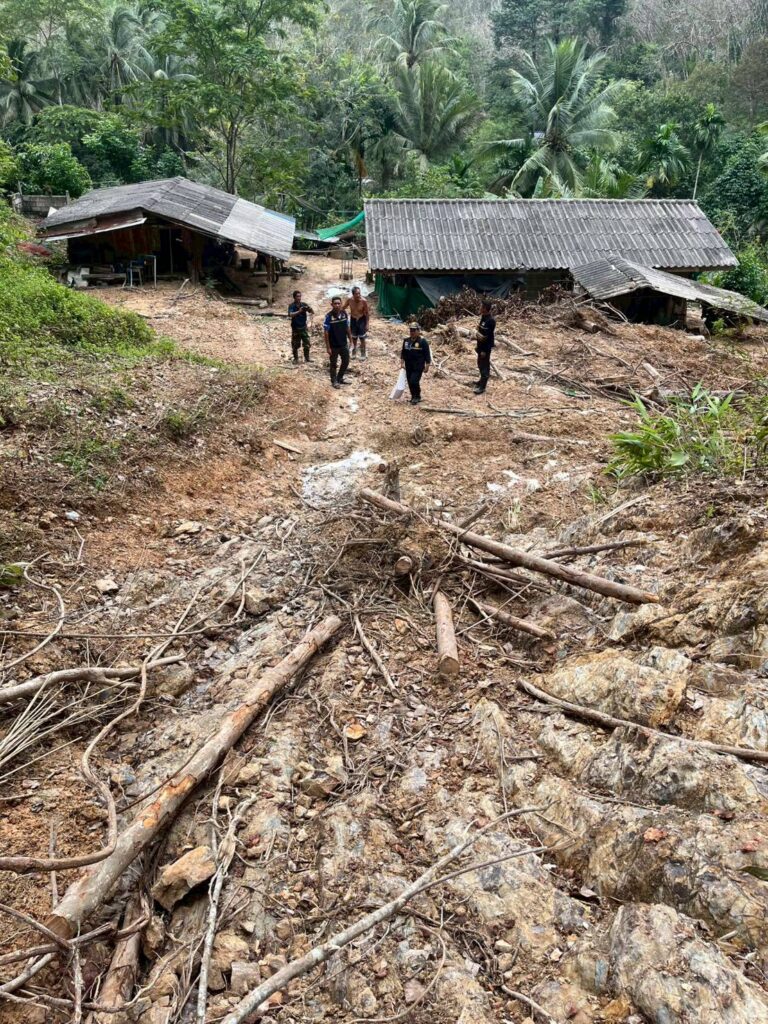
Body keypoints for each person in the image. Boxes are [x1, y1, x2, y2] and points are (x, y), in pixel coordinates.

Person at [324, 296, 353, 389]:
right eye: (335, 303)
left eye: (338, 303)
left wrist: (351, 340)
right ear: (332, 304)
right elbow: (326, 332)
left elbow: (347, 327)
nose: (337, 305)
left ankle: (340, 378)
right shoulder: (328, 316)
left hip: (343, 344)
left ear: (341, 304)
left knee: (346, 361)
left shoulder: (344, 314)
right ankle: (334, 381)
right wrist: (328, 347)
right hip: (333, 345)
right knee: (333, 364)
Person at [400, 322, 431, 406]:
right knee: (410, 381)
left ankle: (417, 396)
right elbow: (403, 353)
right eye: (411, 330)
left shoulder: (423, 342)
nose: (412, 332)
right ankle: (413, 396)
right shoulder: (406, 341)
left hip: (418, 366)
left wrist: (427, 366)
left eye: (414, 330)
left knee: (414, 381)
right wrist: (402, 363)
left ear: (418, 331)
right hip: (408, 365)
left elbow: (427, 355)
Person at [474, 299, 496, 395]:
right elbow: (481, 332)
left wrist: (484, 350)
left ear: (485, 308)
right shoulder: (483, 317)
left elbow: (488, 338)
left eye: (481, 307)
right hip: (480, 346)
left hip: (485, 348)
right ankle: (480, 381)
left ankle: (482, 387)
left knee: (484, 366)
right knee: (480, 364)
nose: (480, 308)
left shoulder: (491, 321)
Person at [343, 286, 370, 360]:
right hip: (353, 320)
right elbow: (343, 308)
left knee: (362, 338)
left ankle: (363, 353)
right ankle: (354, 352)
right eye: (356, 294)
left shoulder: (364, 301)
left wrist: (367, 324)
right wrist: (342, 315)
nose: (358, 295)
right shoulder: (350, 300)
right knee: (354, 337)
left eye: (359, 293)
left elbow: (367, 313)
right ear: (353, 294)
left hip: (361, 319)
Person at [288, 290, 314, 364]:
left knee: (307, 344)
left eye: (300, 296)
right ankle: (296, 359)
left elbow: (312, 312)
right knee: (295, 345)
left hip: (303, 327)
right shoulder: (291, 305)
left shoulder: (303, 304)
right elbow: (290, 314)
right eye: (297, 296)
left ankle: (307, 358)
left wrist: (309, 309)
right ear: (294, 297)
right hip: (296, 328)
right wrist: (299, 311)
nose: (299, 298)